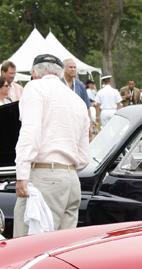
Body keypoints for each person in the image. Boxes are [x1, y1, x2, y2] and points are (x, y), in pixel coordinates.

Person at [13, 54, 91, 237]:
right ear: (61, 73)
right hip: (71, 179)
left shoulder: (35, 87)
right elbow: (84, 157)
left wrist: (22, 173)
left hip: (46, 176)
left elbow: (30, 131)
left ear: (34, 73)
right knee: (61, 251)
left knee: (28, 248)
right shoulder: (78, 101)